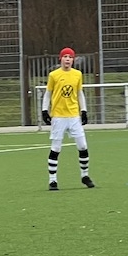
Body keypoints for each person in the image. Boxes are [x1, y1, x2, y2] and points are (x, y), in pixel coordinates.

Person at [41, 47, 94, 190]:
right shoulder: (54, 75)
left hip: (74, 116)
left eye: (70, 57)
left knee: (82, 146)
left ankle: (85, 176)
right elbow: (48, 93)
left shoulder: (77, 74)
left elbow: (79, 93)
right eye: (65, 57)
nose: (67, 59)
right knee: (56, 148)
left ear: (73, 60)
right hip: (58, 116)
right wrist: (45, 111)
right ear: (61, 59)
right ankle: (52, 180)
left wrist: (83, 110)